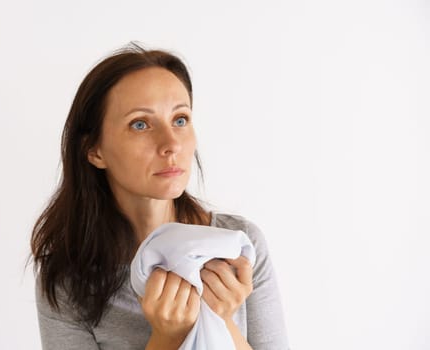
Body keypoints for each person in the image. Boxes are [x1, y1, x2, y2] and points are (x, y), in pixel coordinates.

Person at [30, 43, 289, 350]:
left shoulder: (240, 244)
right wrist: (167, 339)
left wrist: (220, 318)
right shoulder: (67, 282)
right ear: (95, 150)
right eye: (140, 124)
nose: (171, 144)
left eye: (180, 119)